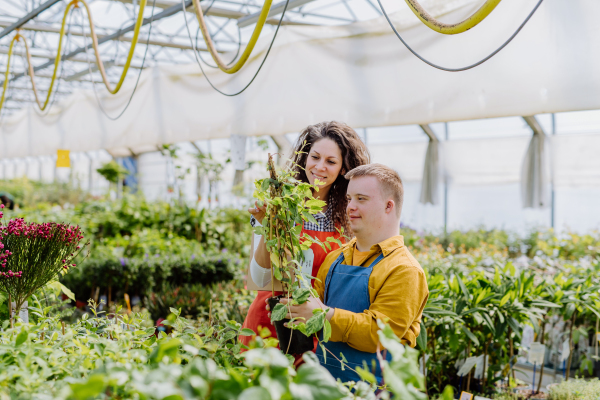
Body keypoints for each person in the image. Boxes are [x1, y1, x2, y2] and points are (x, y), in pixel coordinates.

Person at [275, 163, 429, 383]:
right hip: (327, 385)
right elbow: (310, 308)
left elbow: (380, 334)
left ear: (388, 206)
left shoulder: (404, 269)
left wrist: (322, 315)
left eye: (361, 199)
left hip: (376, 390)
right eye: (349, 199)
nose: (350, 207)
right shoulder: (335, 258)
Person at [240, 121, 370, 348]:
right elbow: (260, 278)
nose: (320, 167)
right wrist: (271, 226)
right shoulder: (278, 206)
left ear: (342, 169)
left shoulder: (347, 221)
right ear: (304, 159)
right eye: (315, 157)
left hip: (313, 330)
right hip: (267, 323)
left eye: (331, 162)